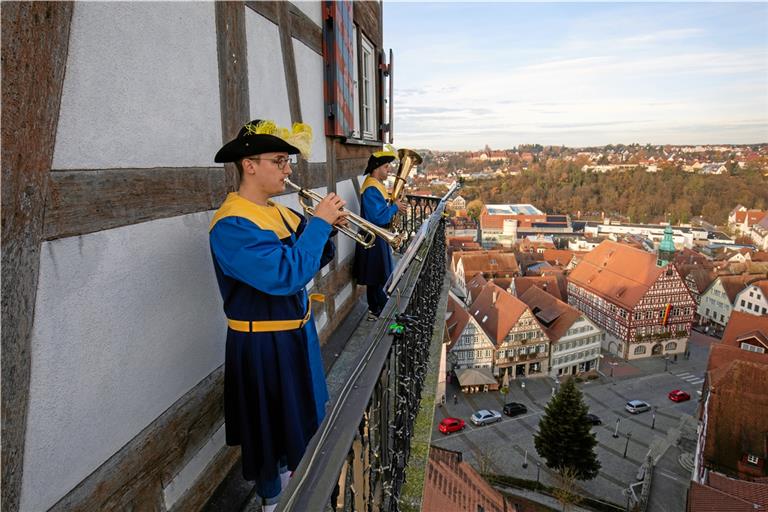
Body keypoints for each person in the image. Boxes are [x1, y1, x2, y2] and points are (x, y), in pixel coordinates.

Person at [209, 119, 348, 511]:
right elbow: (286, 275)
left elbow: (315, 258)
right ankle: (275, 501)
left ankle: (302, 483)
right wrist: (319, 223)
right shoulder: (231, 223)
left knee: (303, 417)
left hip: (295, 336)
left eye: (287, 162)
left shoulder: (281, 213)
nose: (289, 170)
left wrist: (328, 228)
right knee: (270, 427)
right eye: (280, 161)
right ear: (249, 165)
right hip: (261, 343)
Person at [352, 150, 407, 320]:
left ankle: (376, 310)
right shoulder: (371, 189)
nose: (388, 170)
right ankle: (379, 311)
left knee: (376, 275)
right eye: (385, 167)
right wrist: (395, 207)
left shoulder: (374, 185)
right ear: (376, 168)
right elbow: (378, 217)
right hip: (374, 237)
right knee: (379, 275)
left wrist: (393, 204)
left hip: (375, 236)